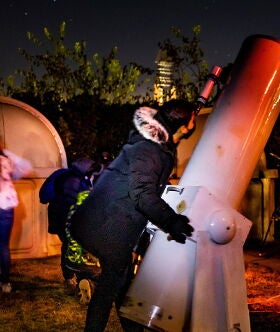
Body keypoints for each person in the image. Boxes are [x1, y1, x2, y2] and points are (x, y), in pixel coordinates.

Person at [69, 100, 196, 332]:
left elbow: (145, 183)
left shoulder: (153, 145)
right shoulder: (150, 148)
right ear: (185, 125)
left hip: (107, 222)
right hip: (108, 225)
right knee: (111, 286)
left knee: (122, 282)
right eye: (192, 119)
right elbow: (141, 194)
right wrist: (172, 221)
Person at [45, 157, 97, 292]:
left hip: (59, 216)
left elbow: (45, 196)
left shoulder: (63, 175)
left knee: (70, 244)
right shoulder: (78, 181)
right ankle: (73, 278)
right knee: (71, 245)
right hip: (65, 218)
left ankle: (74, 278)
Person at [0, 146, 32, 293]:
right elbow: (27, 167)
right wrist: (7, 153)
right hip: (6, 207)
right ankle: (5, 282)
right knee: (3, 246)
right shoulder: (5, 160)